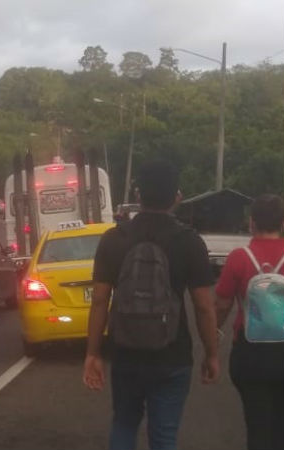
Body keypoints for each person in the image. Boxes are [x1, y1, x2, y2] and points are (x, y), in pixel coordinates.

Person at [83, 160, 220, 450]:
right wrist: (212, 353)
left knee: (123, 424)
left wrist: (93, 353)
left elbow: (99, 300)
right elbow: (204, 307)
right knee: (164, 436)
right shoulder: (189, 241)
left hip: (125, 353)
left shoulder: (114, 239)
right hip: (173, 356)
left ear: (137, 195)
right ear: (177, 198)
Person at [214, 194, 284, 450]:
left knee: (257, 425)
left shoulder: (239, 257)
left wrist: (211, 335)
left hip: (250, 353)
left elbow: (222, 304)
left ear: (251, 223)